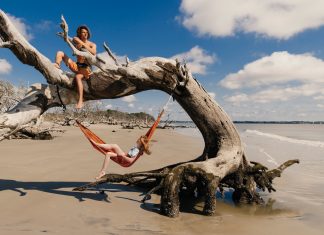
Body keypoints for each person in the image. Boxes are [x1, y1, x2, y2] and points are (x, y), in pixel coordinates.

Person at [54, 25, 97, 109]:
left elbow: (93, 52)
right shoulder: (77, 40)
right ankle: (57, 65)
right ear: (80, 34)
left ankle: (80, 101)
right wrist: (64, 35)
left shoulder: (92, 44)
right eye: (83, 32)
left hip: (86, 69)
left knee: (78, 77)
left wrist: (82, 44)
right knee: (60, 53)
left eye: (86, 32)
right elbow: (71, 39)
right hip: (77, 66)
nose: (85, 34)